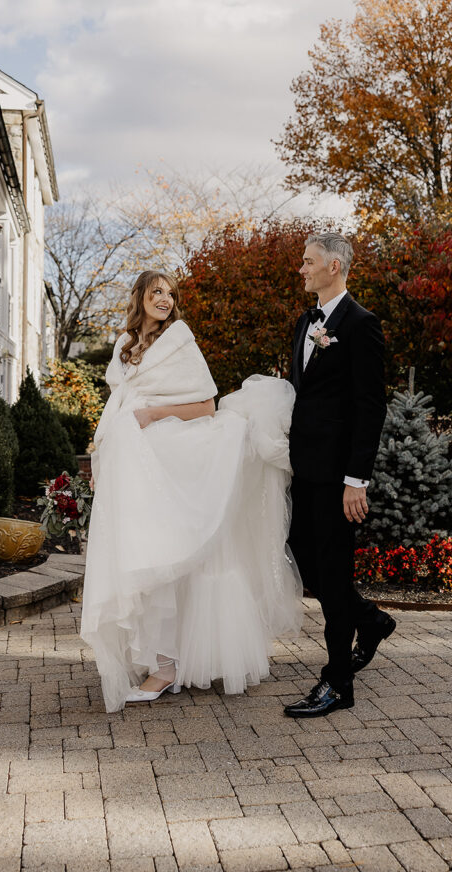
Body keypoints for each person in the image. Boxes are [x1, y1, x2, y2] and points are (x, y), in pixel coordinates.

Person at [81, 270, 301, 711]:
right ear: (140, 295)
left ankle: (167, 667)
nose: (164, 299)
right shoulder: (126, 349)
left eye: (170, 293)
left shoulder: (180, 341)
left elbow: (205, 405)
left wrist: (152, 415)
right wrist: (100, 451)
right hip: (140, 465)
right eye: (156, 291)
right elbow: (117, 406)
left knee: (173, 557)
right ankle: (165, 660)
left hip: (175, 459)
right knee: (148, 556)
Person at [283, 232, 396, 719]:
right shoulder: (303, 324)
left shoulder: (361, 326)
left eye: (308, 263)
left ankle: (337, 682)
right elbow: (301, 395)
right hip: (302, 470)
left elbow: (370, 408)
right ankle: (369, 621)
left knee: (333, 574)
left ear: (333, 266)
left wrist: (357, 479)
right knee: (306, 561)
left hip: (337, 477)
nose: (301, 270)